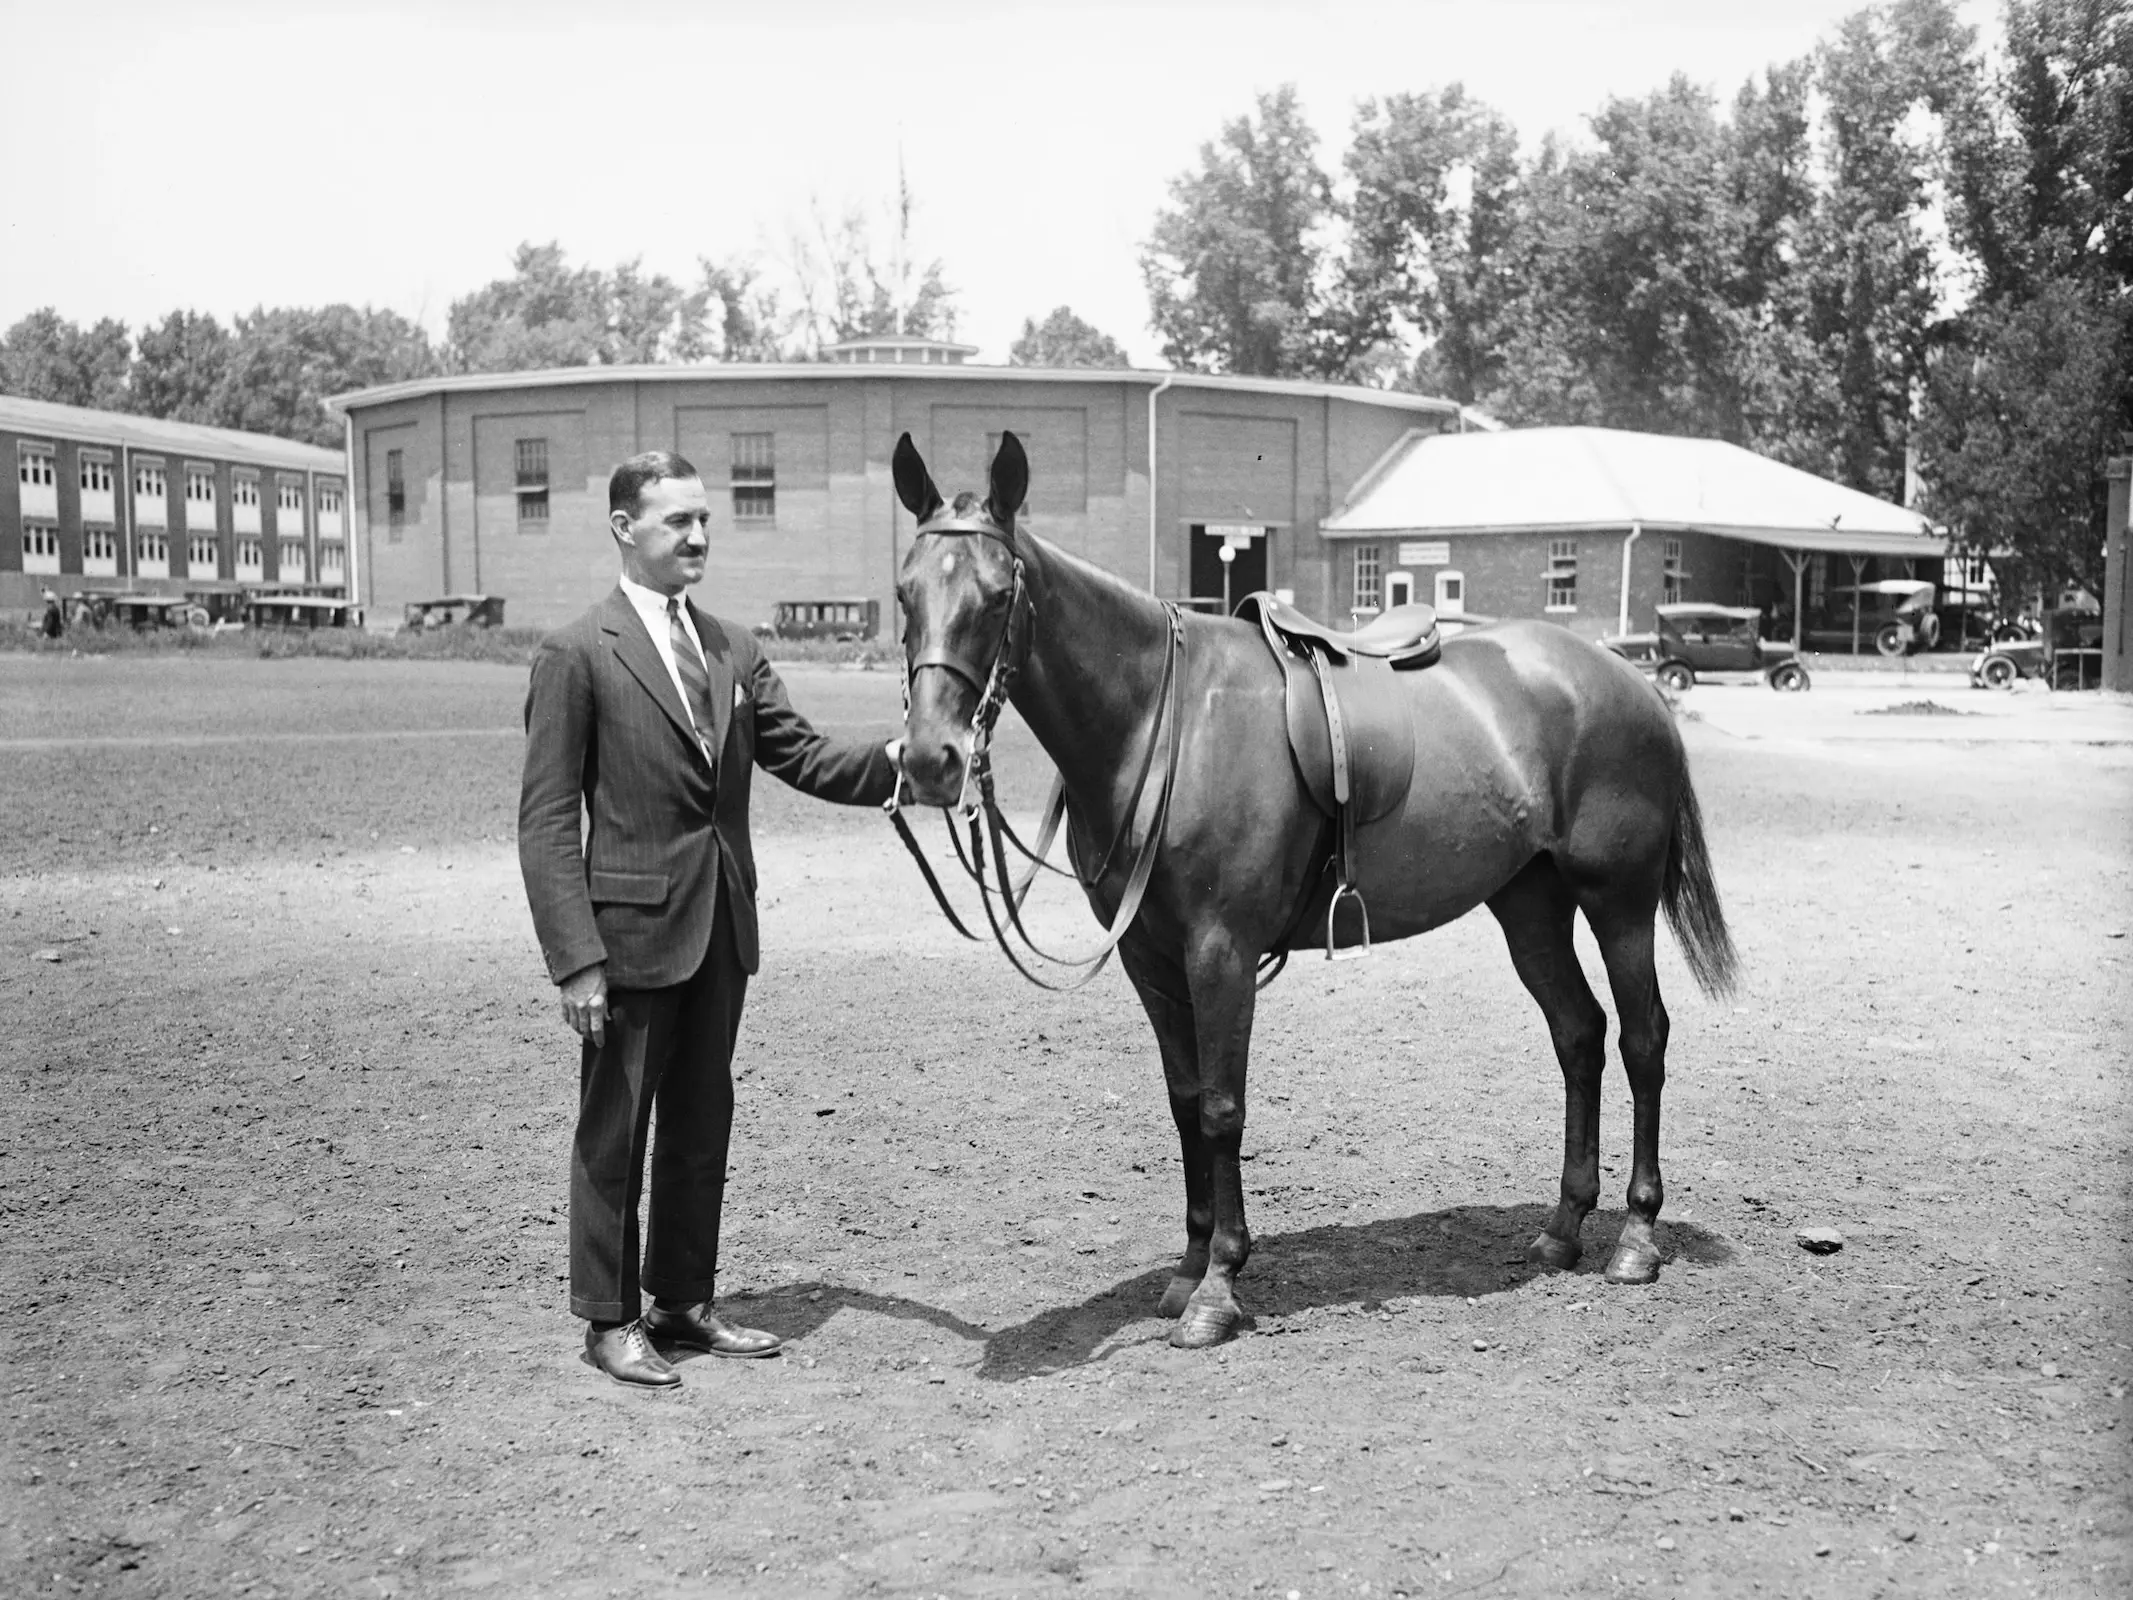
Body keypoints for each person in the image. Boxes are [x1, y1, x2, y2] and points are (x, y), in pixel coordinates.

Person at [518, 450, 902, 1389]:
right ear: (624, 528)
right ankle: (608, 1319)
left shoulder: (732, 646)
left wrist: (901, 763)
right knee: (614, 1133)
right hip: (627, 940)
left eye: (703, 521)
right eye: (677, 521)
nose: (697, 537)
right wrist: (575, 959)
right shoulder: (576, 652)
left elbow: (801, 755)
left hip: (721, 930)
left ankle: (681, 1303)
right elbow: (546, 819)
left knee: (699, 1126)